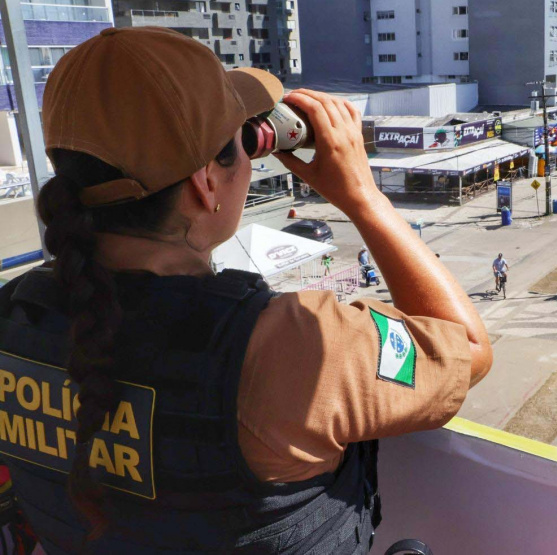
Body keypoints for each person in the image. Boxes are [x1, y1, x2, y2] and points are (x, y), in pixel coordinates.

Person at [0, 27, 492, 553]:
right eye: (242, 139)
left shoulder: (15, 312)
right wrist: (363, 197)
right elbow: (466, 349)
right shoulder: (287, 345)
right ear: (205, 182)